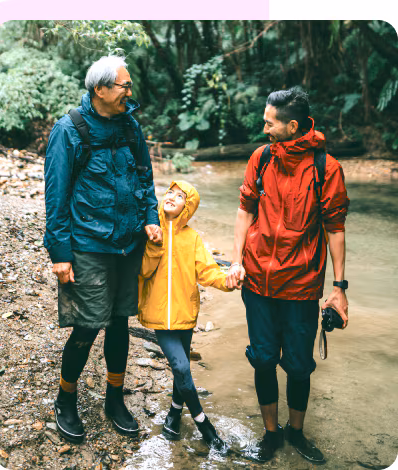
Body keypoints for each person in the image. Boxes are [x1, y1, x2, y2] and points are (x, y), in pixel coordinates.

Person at [226, 87, 350, 464]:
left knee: (298, 366)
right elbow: (245, 210)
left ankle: (296, 432)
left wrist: (339, 288)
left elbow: (336, 228)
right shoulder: (261, 159)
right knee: (263, 359)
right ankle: (271, 434)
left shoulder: (325, 167)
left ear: (291, 125)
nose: (263, 127)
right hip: (258, 284)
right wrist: (236, 261)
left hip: (300, 287)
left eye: (269, 122)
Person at [44, 55, 162, 443]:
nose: (130, 91)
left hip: (129, 245)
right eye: (124, 86)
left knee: (119, 322)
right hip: (87, 246)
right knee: (87, 323)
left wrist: (151, 218)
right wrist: (60, 254)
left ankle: (114, 399)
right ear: (101, 89)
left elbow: (145, 179)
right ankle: (66, 398)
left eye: (129, 85)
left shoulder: (131, 127)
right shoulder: (69, 131)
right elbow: (56, 198)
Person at [138, 181, 232, 453]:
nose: (172, 197)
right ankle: (205, 425)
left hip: (186, 315)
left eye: (180, 197)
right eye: (170, 192)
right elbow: (142, 272)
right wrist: (154, 244)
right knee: (180, 367)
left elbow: (208, 272)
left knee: (183, 369)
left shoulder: (192, 238)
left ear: (187, 208)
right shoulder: (150, 231)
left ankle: (174, 413)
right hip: (159, 317)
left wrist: (229, 281)